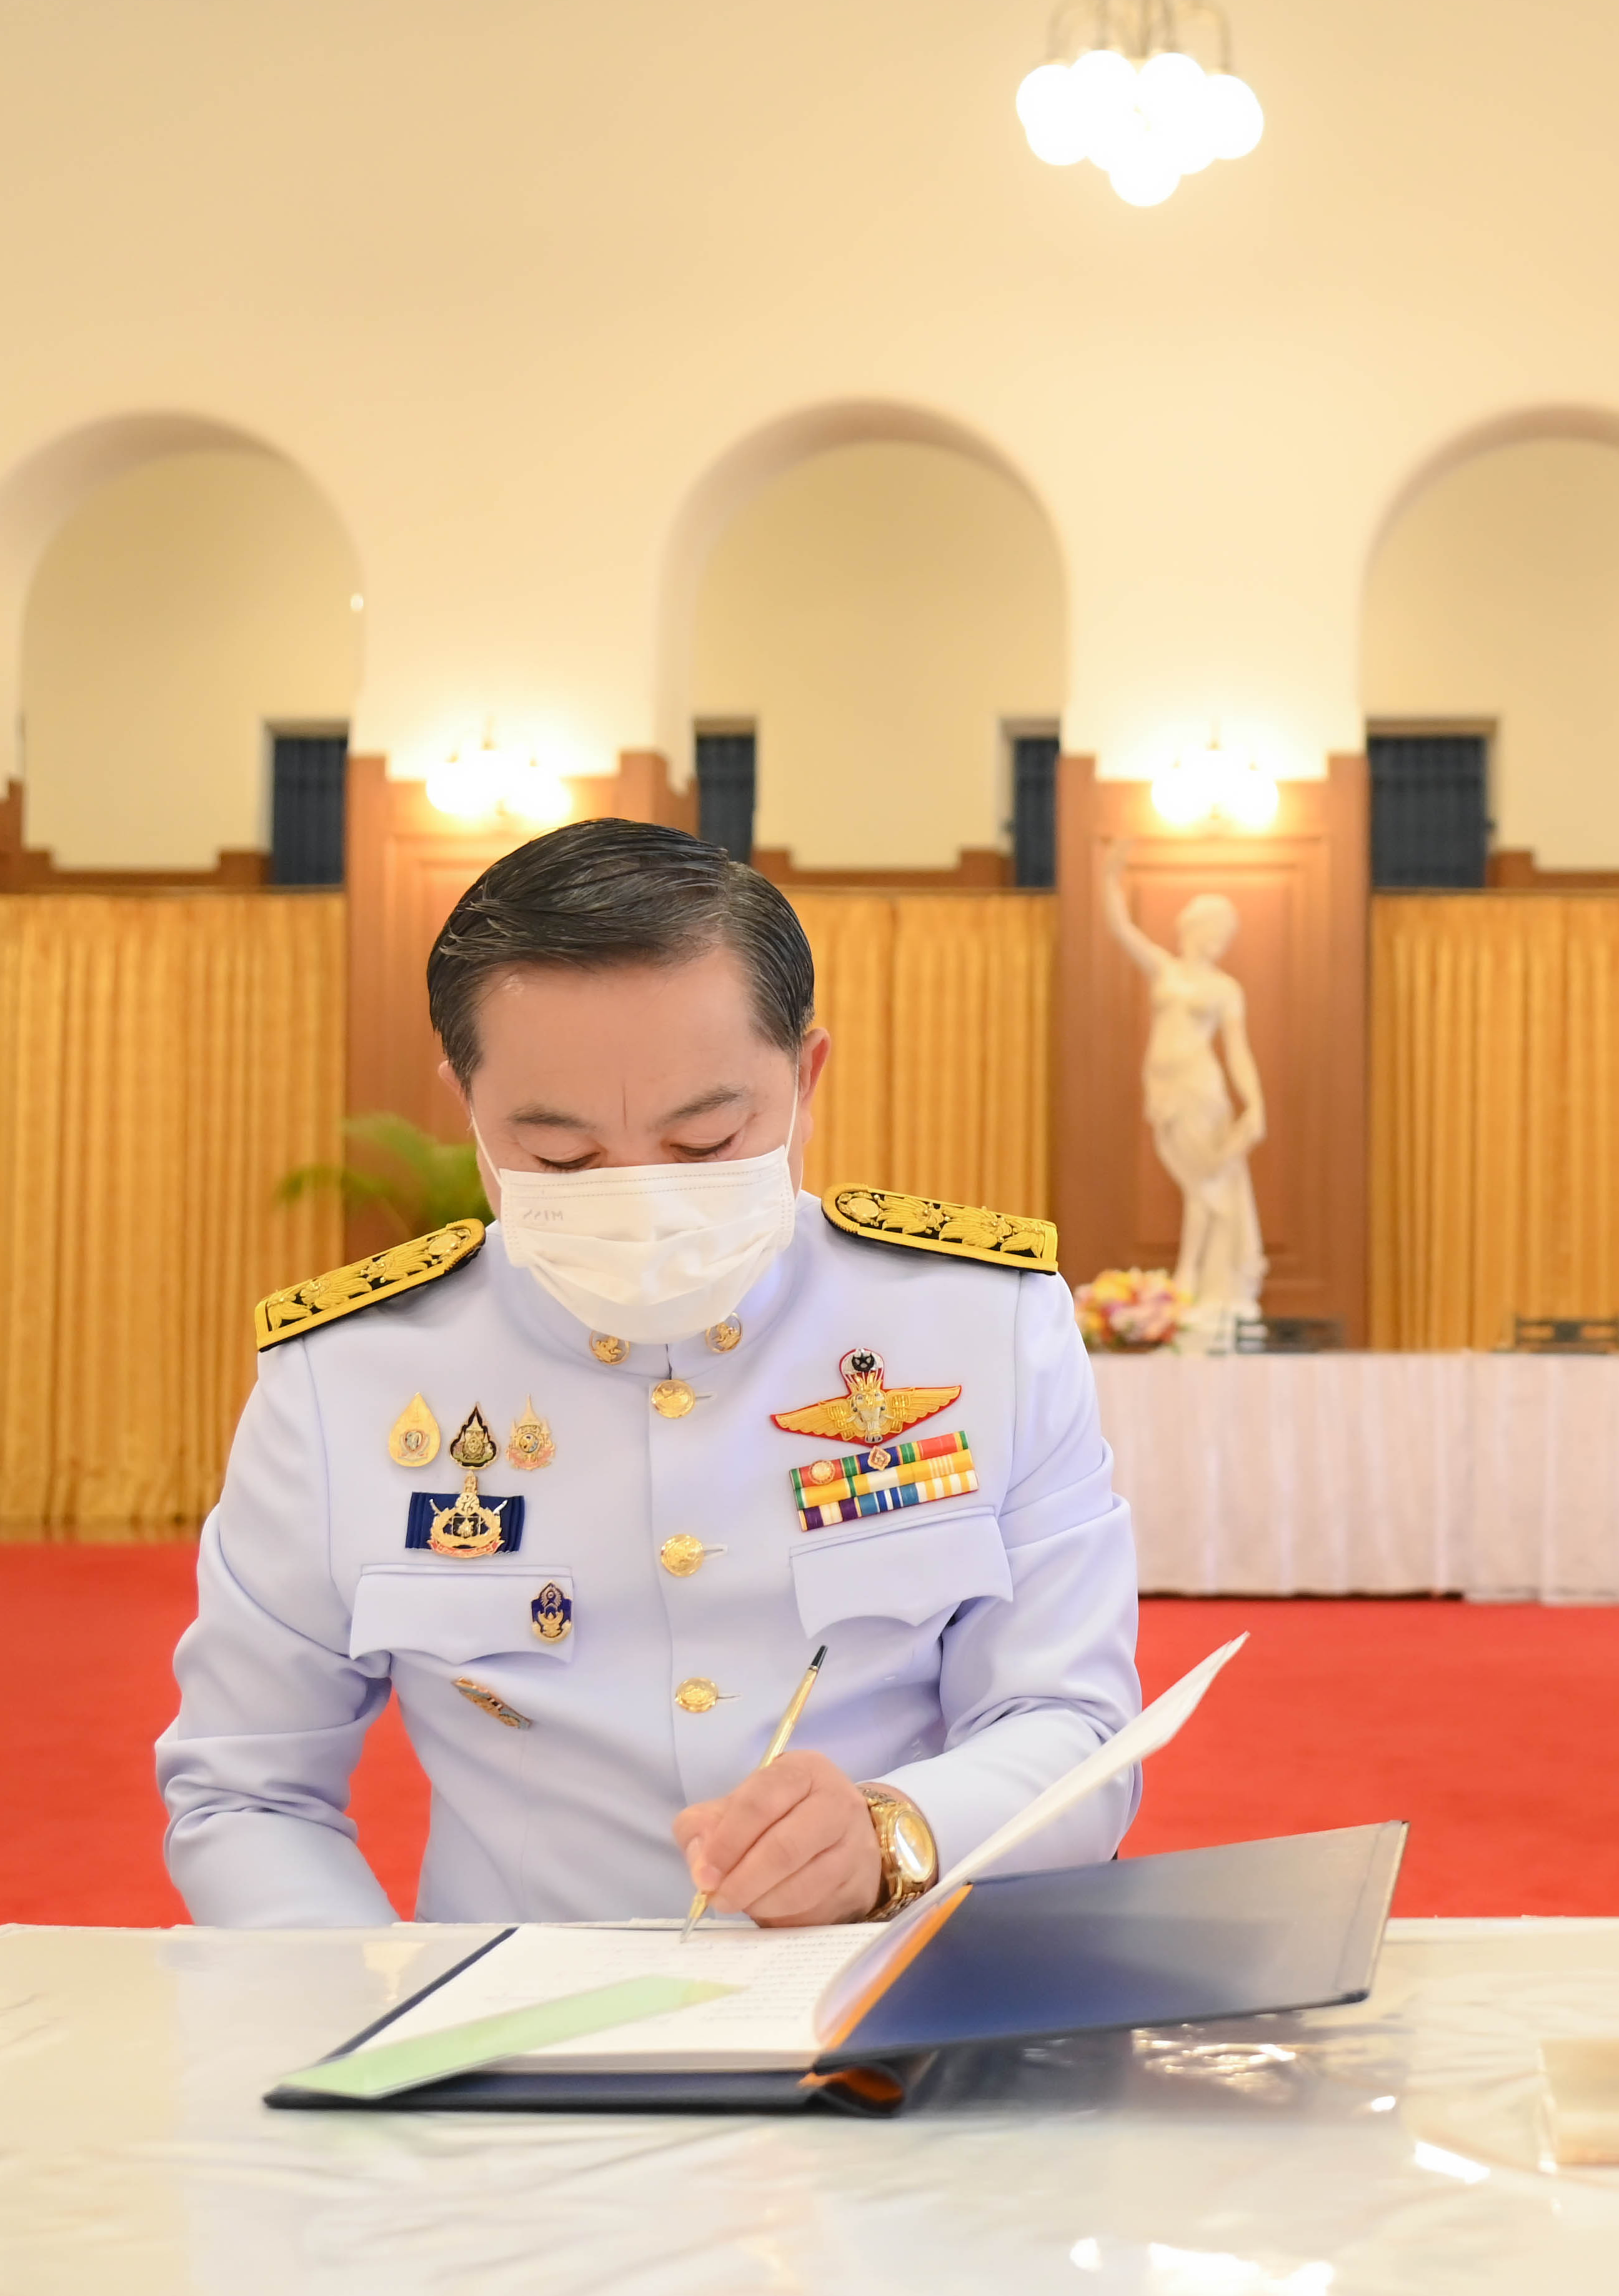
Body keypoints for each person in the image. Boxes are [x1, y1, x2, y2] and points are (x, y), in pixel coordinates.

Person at [157, 820, 1142, 1928]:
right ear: (469, 1109)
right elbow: (247, 1789)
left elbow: (1074, 1723)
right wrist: (380, 2009)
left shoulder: (979, 1321)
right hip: (508, 2017)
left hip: (897, 1989)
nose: (639, 1201)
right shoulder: (348, 1374)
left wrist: (895, 1835)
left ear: (805, 1078)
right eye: (561, 1157)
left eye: (705, 1142)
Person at [1097, 838, 1267, 1343]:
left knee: (1207, 1185)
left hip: (1201, 1089)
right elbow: (1121, 929)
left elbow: (1238, 1053)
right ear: (1195, 928)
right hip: (1164, 1091)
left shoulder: (1225, 989)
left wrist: (1255, 1103)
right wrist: (1108, 877)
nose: (1220, 941)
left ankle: (1193, 1283)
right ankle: (1197, 1285)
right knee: (1202, 1185)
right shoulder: (1165, 968)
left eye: (1226, 934)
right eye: (1216, 930)